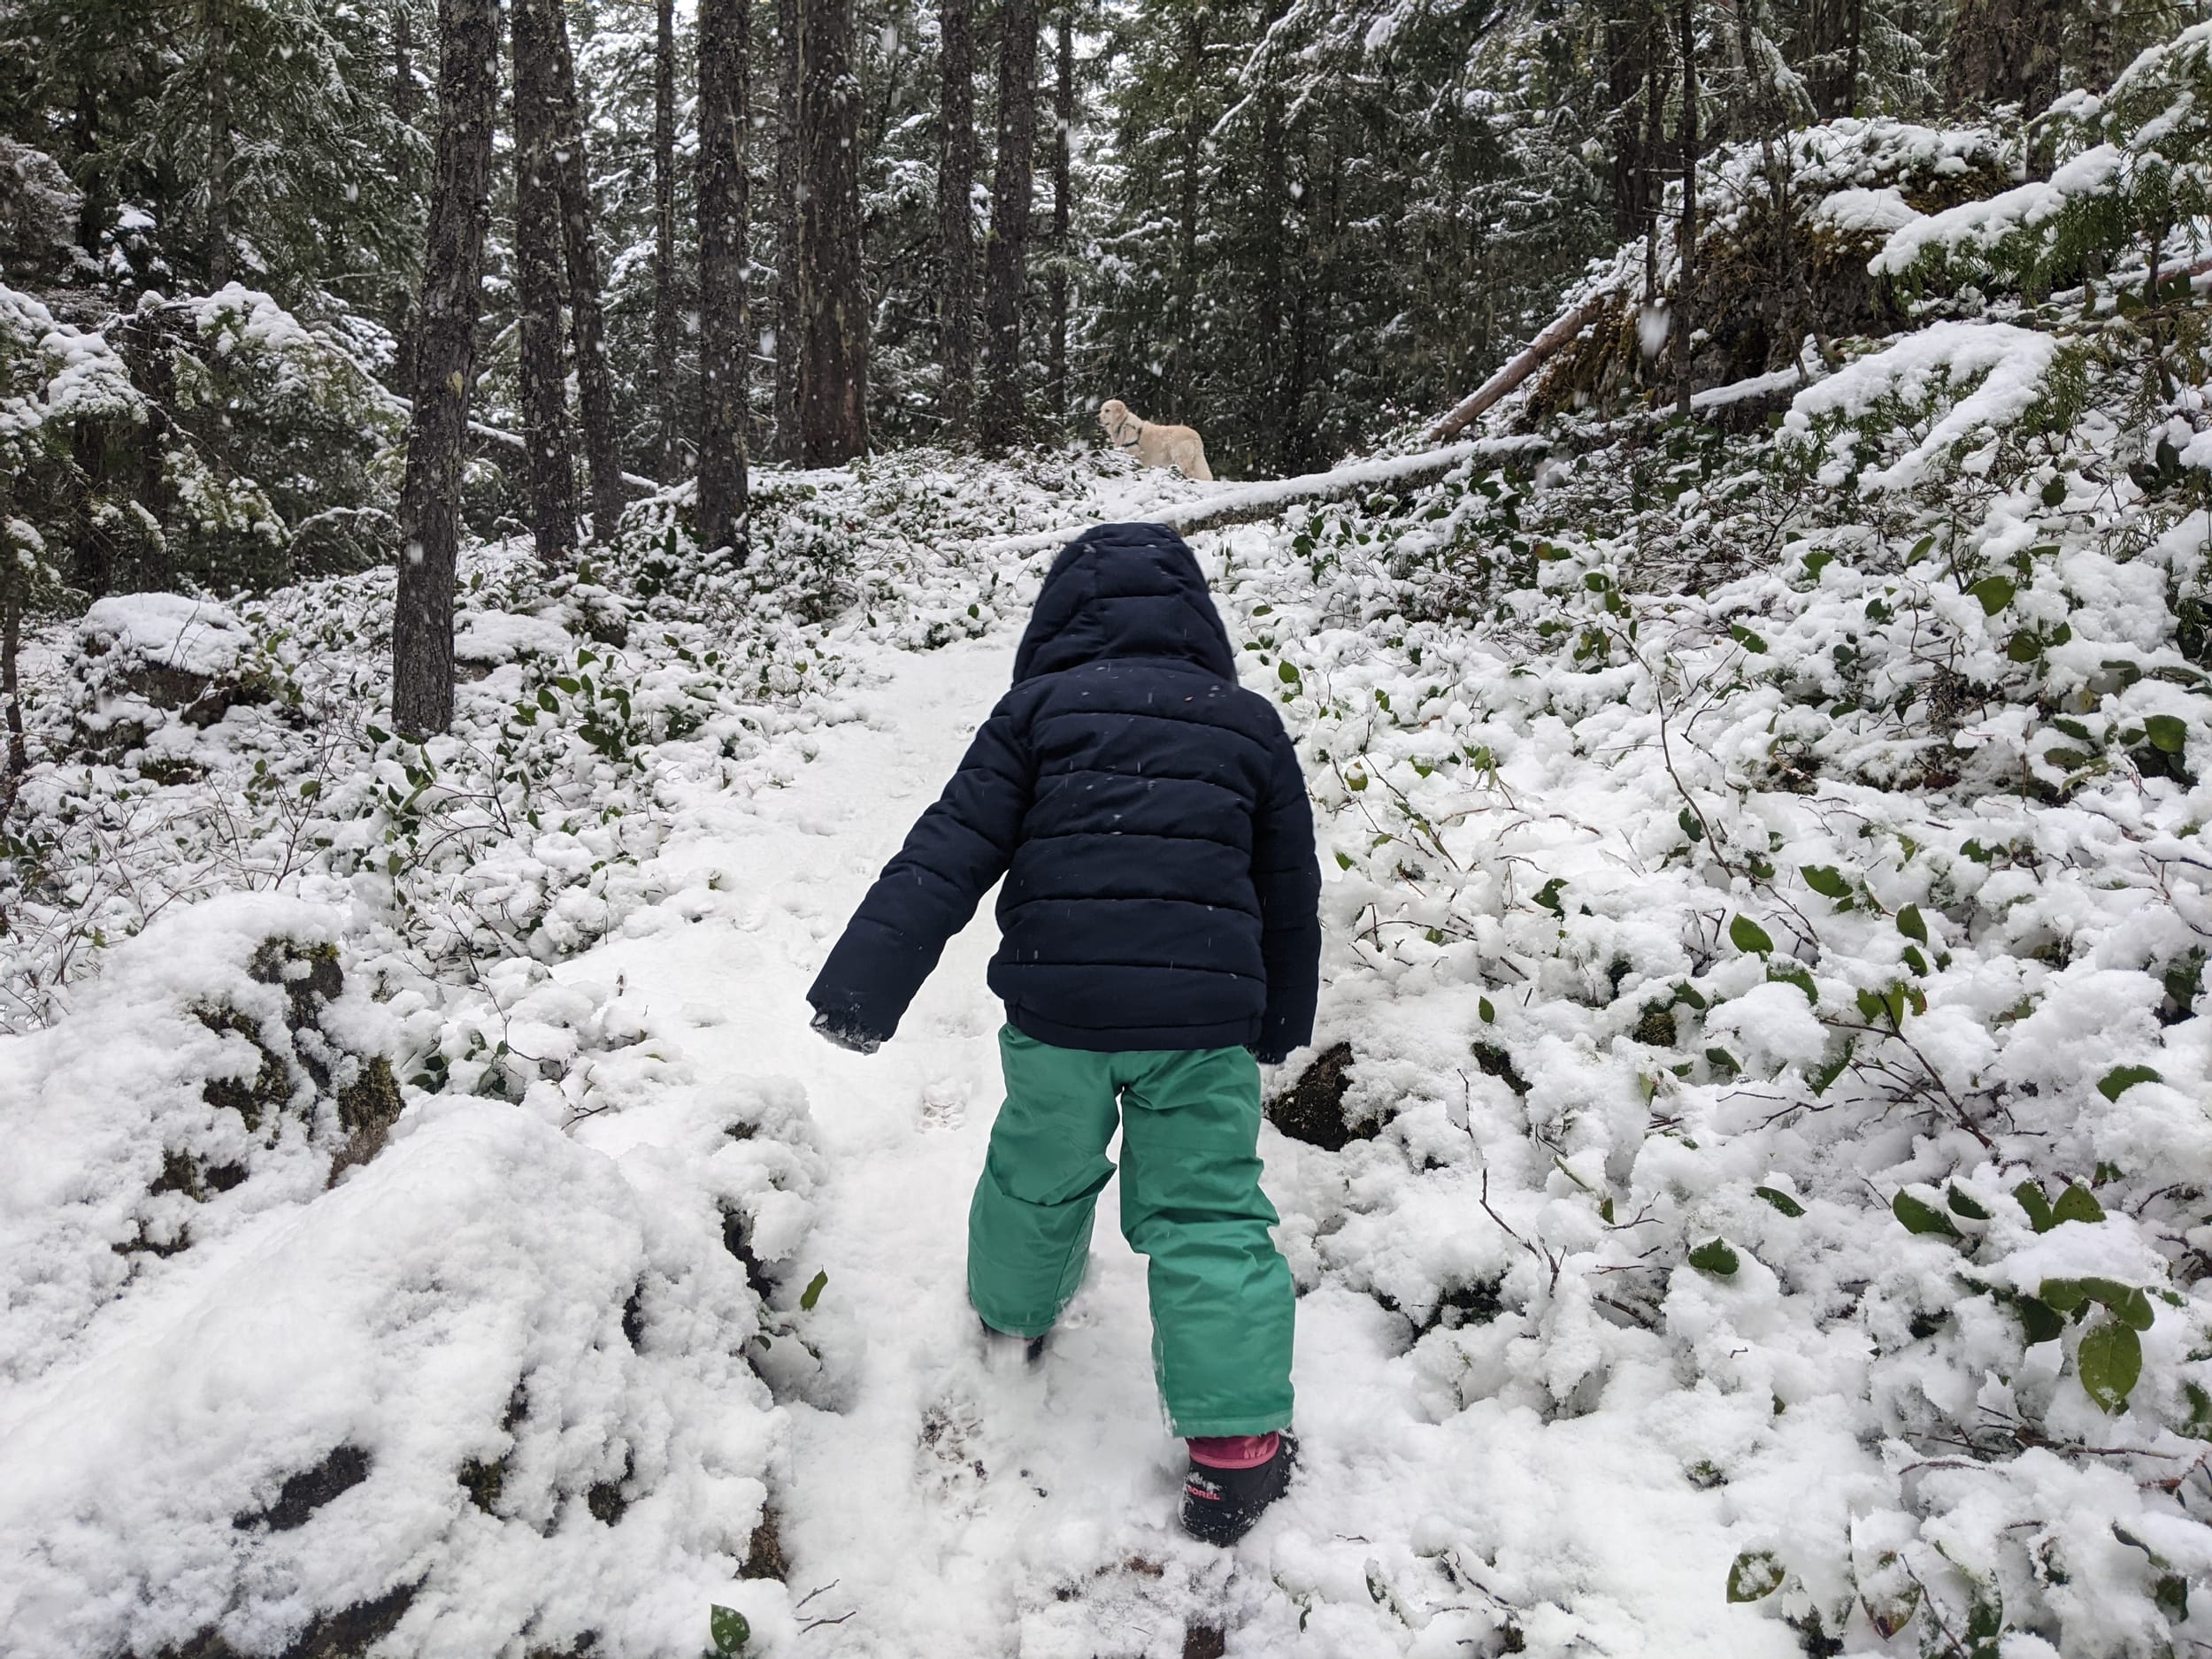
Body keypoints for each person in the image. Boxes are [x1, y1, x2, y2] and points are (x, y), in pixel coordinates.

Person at [806, 521, 1322, 1546]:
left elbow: (943, 854)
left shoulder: (1035, 712)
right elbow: (1287, 891)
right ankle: (1234, 1455)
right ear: (1196, 623)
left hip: (1061, 1012)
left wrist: (862, 989)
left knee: (1039, 1166)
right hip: (1201, 1022)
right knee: (1207, 1212)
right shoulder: (1247, 725)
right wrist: (1277, 1021)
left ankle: (1012, 1318)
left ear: (1057, 623)